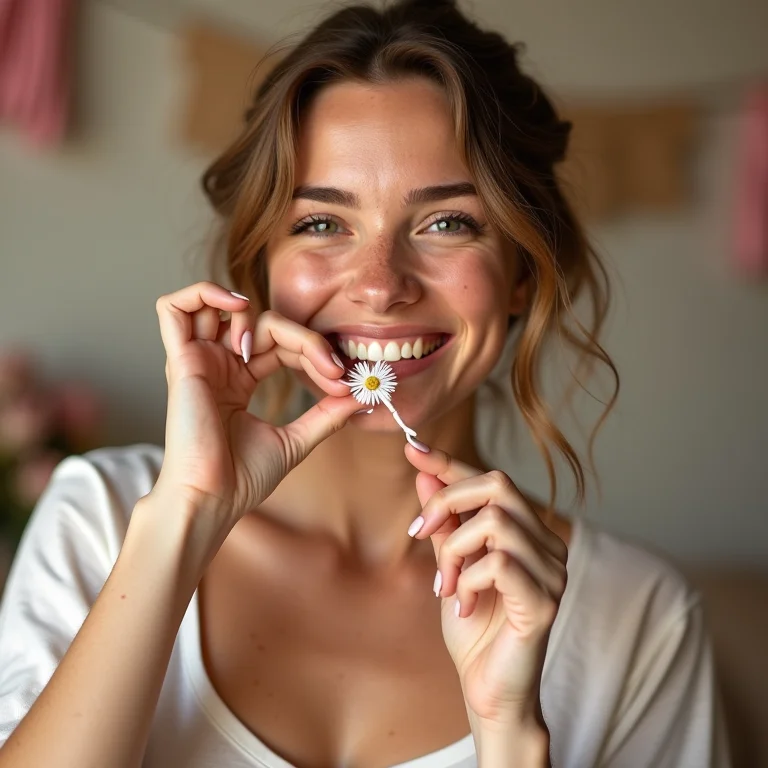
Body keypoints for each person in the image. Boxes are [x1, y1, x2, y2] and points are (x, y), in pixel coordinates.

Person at [0, 1, 731, 766]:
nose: (381, 287)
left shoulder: (642, 621)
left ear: (521, 270)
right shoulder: (103, 519)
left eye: (447, 223)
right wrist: (183, 522)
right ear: (263, 267)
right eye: (322, 223)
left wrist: (510, 733)